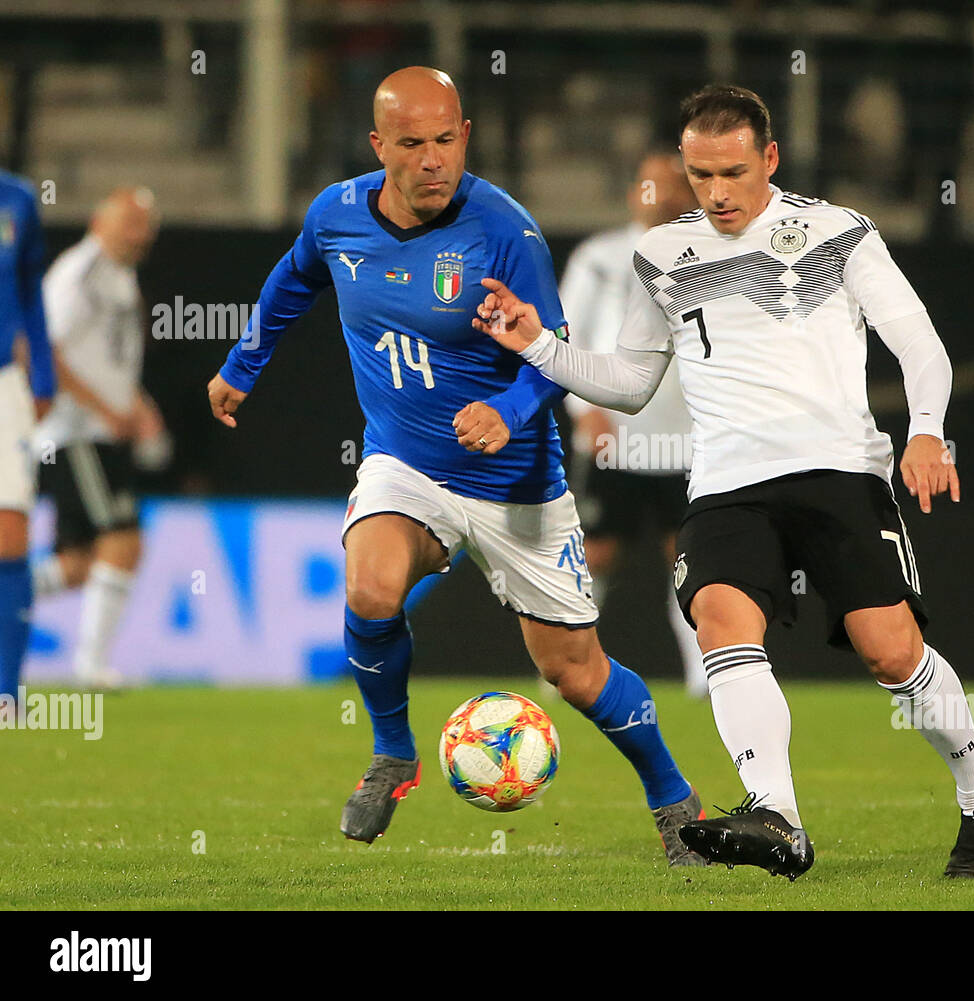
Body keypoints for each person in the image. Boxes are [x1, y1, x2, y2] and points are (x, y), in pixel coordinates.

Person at [473, 84, 974, 881]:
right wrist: (540, 348)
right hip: (727, 482)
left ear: (769, 158)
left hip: (838, 470)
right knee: (721, 622)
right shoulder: (661, 255)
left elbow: (920, 343)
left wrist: (928, 430)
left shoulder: (837, 232)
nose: (717, 193)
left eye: (732, 172)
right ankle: (778, 816)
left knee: (891, 652)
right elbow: (629, 381)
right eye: (699, 176)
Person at [206, 67, 706, 865]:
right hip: (406, 464)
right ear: (379, 146)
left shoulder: (506, 230)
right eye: (412, 144)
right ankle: (393, 753)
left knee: (577, 674)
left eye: (446, 140)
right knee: (370, 587)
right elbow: (296, 274)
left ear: (464, 135)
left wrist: (506, 414)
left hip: (518, 485)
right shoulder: (336, 214)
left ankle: (674, 800)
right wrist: (243, 363)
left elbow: (555, 353)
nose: (433, 159)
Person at [560, 151, 706, 697]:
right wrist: (584, 408)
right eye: (653, 185)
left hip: (691, 441)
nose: (663, 196)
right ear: (633, 193)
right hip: (616, 440)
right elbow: (564, 335)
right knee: (594, 552)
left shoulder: (711, 258)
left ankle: (703, 679)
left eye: (674, 186)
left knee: (691, 558)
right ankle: (568, 666)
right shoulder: (600, 258)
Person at [31, 188, 164, 688]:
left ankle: (10, 591)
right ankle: (90, 668)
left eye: (147, 225)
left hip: (97, 431)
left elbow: (106, 360)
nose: (141, 235)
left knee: (79, 564)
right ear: (98, 220)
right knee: (124, 539)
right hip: (76, 431)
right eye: (130, 223)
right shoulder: (80, 273)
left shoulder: (119, 276)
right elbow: (48, 350)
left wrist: (139, 406)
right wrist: (110, 410)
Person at [0, 169, 54, 704]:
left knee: (11, 533)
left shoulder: (16, 200)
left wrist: (43, 374)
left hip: (3, 384)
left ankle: (5, 694)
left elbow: (30, 292)